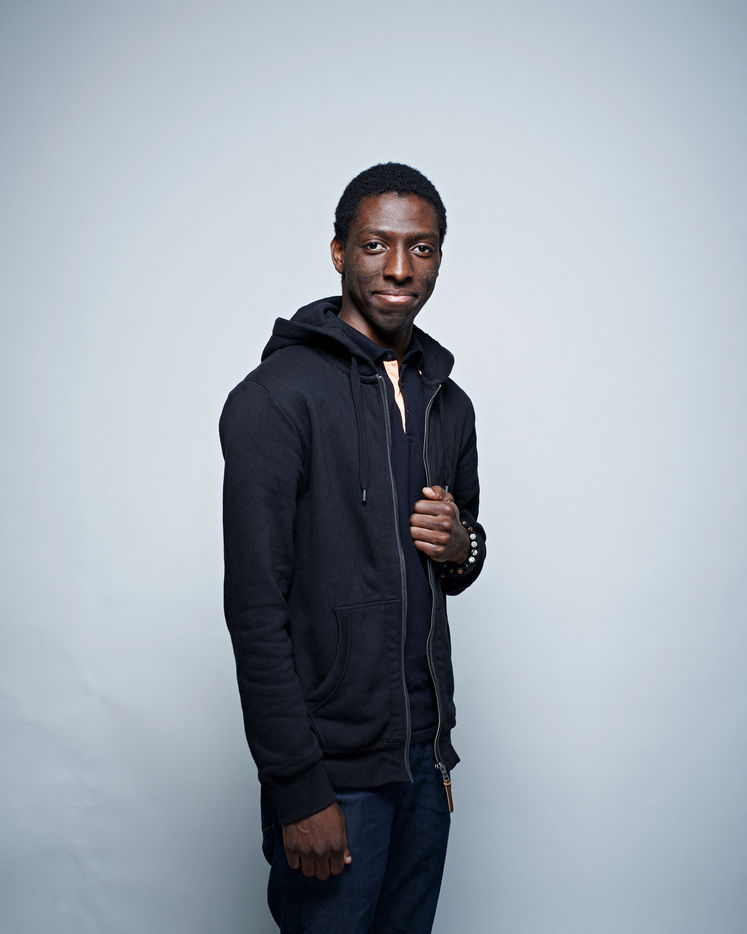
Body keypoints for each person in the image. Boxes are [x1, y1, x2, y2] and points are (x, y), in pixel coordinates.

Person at [220, 162, 486, 933]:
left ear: (438, 257)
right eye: (375, 244)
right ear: (339, 252)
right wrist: (297, 786)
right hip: (331, 778)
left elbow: (462, 558)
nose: (399, 267)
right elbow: (254, 609)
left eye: (420, 247)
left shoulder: (448, 403)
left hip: (424, 763)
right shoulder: (276, 398)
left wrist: (460, 544)